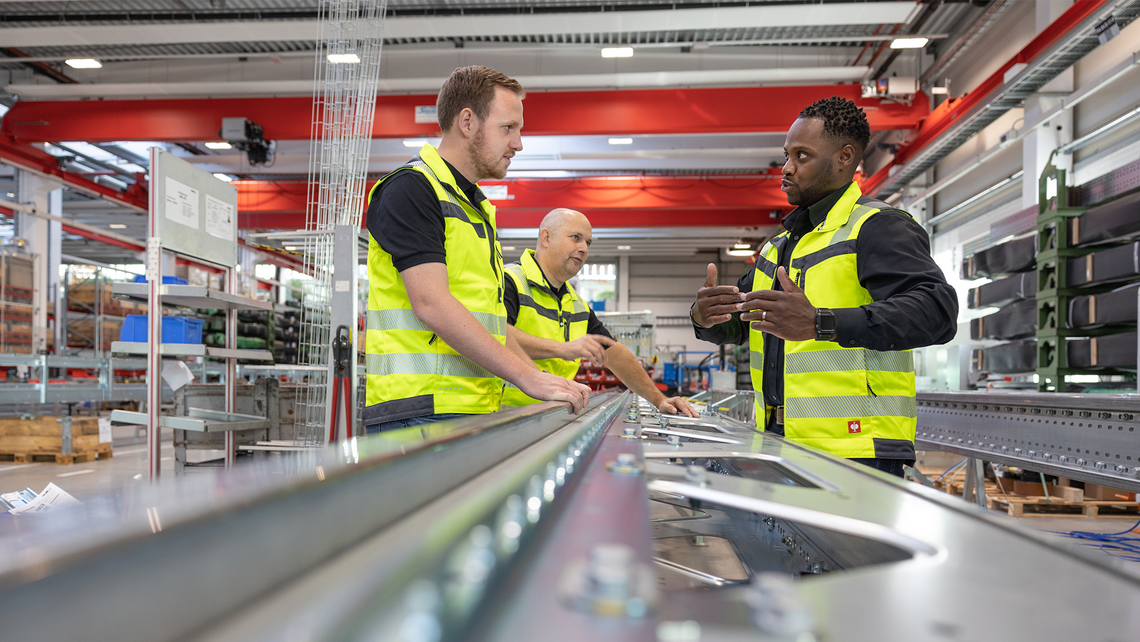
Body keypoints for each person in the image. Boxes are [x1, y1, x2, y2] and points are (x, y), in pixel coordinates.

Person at [691, 96, 957, 477]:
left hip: (857, 450)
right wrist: (706, 317)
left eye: (802, 156)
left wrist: (822, 322)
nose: (786, 168)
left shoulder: (876, 227)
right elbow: (740, 326)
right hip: (780, 440)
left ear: (844, 157)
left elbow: (937, 313)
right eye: (786, 155)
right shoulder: (776, 246)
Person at [363, 66, 591, 433]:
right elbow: (431, 303)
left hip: (472, 406)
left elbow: (492, 326)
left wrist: (542, 381)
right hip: (420, 409)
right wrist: (528, 379)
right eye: (508, 128)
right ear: (467, 122)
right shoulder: (412, 189)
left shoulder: (475, 208)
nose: (518, 143)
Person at [502, 209, 700, 418]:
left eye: (588, 243)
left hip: (552, 419)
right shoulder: (510, 282)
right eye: (576, 238)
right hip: (503, 418)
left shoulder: (577, 305)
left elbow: (616, 355)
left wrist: (659, 399)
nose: (583, 249)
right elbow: (496, 334)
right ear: (546, 237)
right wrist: (563, 349)